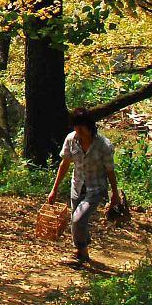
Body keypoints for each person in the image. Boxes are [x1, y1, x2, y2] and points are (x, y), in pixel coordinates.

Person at [47, 109, 121, 265]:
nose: (78, 131)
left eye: (81, 127)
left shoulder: (103, 145)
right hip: (77, 185)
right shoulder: (71, 140)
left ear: (89, 126)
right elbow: (64, 164)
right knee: (78, 222)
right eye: (75, 127)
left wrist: (115, 193)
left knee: (77, 219)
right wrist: (54, 189)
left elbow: (110, 170)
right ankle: (83, 252)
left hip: (95, 188)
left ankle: (80, 251)